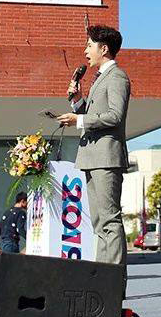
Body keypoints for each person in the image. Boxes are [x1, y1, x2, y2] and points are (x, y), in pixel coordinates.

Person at [57, 25, 130, 283]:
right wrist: (78, 101)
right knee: (99, 223)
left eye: (89, 45)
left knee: (109, 220)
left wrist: (78, 119)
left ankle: (114, 283)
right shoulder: (99, 78)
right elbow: (92, 113)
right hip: (92, 157)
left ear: (104, 48)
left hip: (107, 158)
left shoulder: (117, 77)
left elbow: (115, 116)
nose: (86, 51)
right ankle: (102, 281)